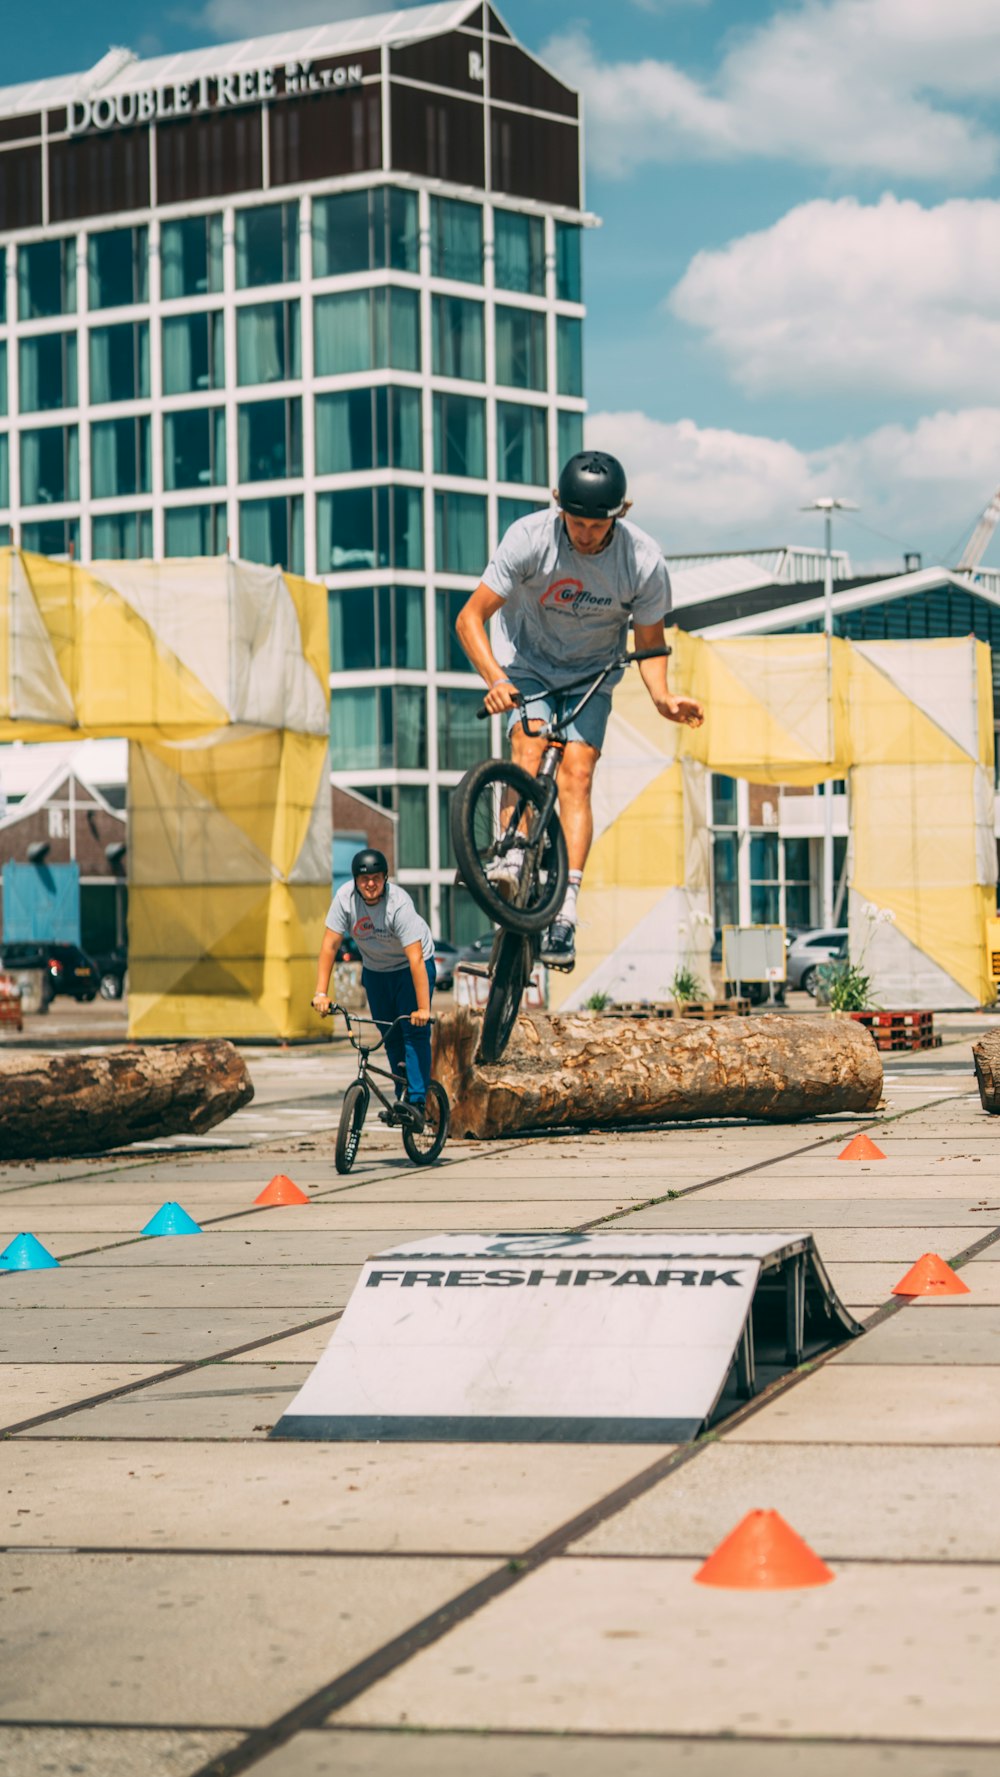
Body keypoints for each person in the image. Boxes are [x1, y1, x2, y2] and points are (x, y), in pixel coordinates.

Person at [455, 450, 704, 968]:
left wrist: (662, 697)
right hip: (528, 664)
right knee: (529, 742)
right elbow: (469, 619)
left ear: (620, 513)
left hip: (593, 674)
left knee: (578, 772)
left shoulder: (642, 560)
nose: (587, 535)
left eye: (598, 525)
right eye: (577, 523)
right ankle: (513, 852)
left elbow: (650, 643)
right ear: (558, 507)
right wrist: (496, 680)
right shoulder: (528, 539)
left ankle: (565, 907)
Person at [312, 848, 435, 1125]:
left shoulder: (399, 904)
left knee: (413, 1030)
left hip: (410, 967)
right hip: (377, 970)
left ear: (385, 879)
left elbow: (415, 959)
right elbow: (330, 945)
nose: (370, 884)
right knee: (388, 1033)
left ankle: (417, 1100)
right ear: (356, 880)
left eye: (376, 878)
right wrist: (321, 992)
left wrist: (424, 1009)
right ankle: (402, 1084)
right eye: (364, 879)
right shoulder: (344, 899)